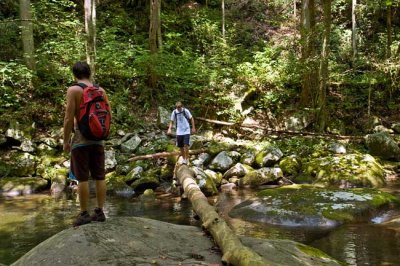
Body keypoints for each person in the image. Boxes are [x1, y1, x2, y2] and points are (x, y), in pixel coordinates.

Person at [63, 61, 111, 226]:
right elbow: (108, 113)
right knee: (100, 175)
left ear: (74, 75)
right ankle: (99, 211)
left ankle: (84, 214)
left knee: (82, 178)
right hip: (98, 140)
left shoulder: (74, 90)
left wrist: (65, 141)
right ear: (89, 73)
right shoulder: (101, 90)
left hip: (81, 140)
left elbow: (69, 118)